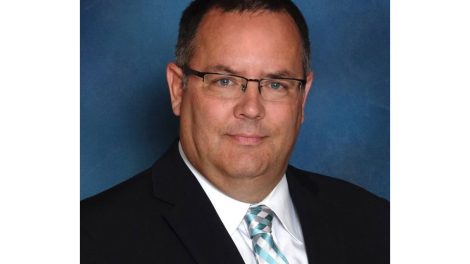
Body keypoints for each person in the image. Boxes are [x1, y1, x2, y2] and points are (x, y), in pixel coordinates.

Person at [81, 0, 389, 263]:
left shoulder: (378, 225)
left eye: (275, 84)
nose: (251, 108)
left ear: (302, 98)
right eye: (224, 81)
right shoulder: (90, 241)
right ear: (178, 88)